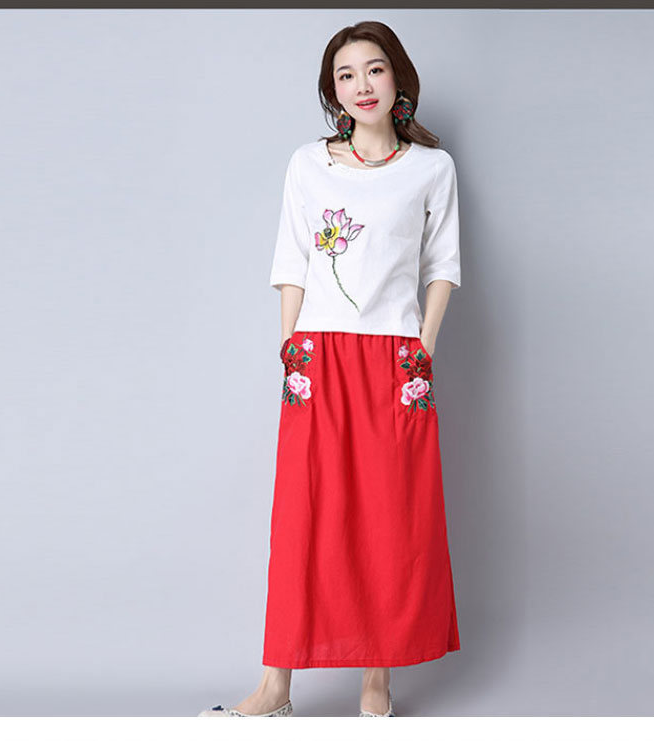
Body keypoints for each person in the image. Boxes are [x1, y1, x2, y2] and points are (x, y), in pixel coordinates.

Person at [200, 20, 461, 718]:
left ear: (397, 78)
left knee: (389, 517)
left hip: (395, 358)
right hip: (317, 356)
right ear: (333, 91)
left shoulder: (431, 169)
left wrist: (423, 349)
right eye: (346, 75)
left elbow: (442, 265)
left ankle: (377, 682)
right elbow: (293, 258)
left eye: (374, 69)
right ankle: (275, 686)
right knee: (304, 518)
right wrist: (290, 345)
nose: (362, 85)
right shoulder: (308, 164)